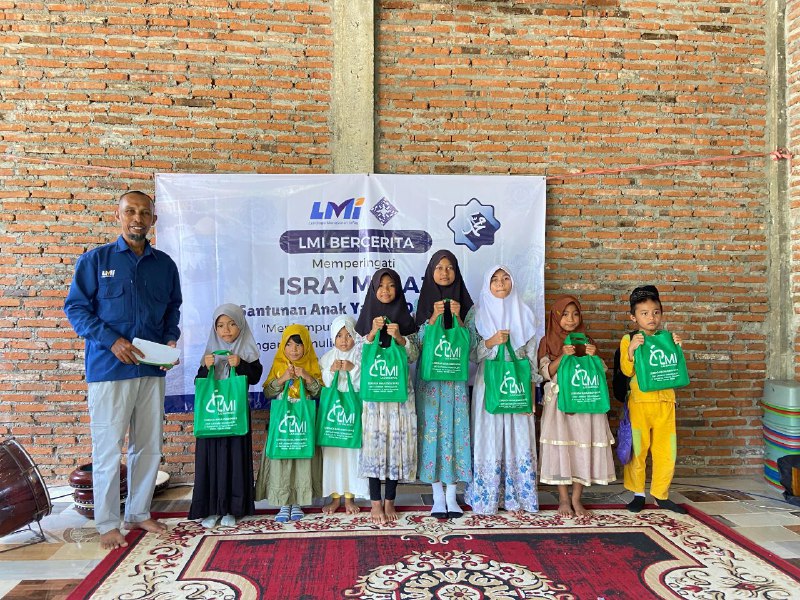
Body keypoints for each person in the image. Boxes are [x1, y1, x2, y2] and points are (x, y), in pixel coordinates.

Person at [63, 191, 182, 550]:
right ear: (118, 215)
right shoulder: (95, 261)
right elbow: (76, 310)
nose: (138, 218)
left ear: (153, 221)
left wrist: (169, 340)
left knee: (147, 446)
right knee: (107, 449)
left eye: (145, 213)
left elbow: (172, 309)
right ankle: (107, 523)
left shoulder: (165, 265)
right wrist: (112, 341)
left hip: (151, 370)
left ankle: (139, 512)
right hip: (109, 369)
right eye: (130, 211)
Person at [465, 265, 541, 515]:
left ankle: (517, 495)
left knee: (518, 435)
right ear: (487, 285)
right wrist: (490, 342)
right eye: (495, 279)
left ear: (512, 283)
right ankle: (489, 496)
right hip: (489, 383)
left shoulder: (525, 313)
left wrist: (531, 396)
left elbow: (531, 358)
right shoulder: (476, 314)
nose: (500, 283)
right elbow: (469, 354)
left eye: (505, 278)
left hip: (518, 385)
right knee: (489, 435)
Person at [537, 295, 616, 518]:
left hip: (585, 400)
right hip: (560, 404)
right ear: (555, 317)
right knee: (562, 447)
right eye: (565, 314)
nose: (570, 319)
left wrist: (594, 356)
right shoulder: (548, 341)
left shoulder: (586, 339)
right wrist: (562, 355)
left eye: (575, 314)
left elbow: (600, 372)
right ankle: (563, 499)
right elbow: (545, 373)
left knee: (583, 444)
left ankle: (576, 498)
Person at [189, 304, 263, 529]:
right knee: (209, 461)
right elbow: (198, 383)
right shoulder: (209, 353)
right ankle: (211, 509)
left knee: (235, 459)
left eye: (232, 324)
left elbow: (255, 378)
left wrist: (240, 365)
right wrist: (205, 367)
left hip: (235, 413)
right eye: (220, 326)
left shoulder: (247, 350)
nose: (226, 330)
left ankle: (232, 509)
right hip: (212, 416)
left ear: (241, 325)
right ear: (214, 329)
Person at [355, 268, 419, 525]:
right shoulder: (365, 320)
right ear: (373, 290)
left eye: (391, 285)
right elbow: (359, 356)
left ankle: (390, 500)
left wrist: (401, 339)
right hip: (374, 397)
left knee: (395, 445)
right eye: (381, 286)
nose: (385, 290)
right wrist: (371, 334)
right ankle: (374, 503)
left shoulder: (405, 319)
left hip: (399, 396)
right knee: (374, 444)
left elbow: (414, 356)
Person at [414, 250, 474, 519]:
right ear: (431, 272)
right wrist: (432, 320)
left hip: (454, 382)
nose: (445, 272)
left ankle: (453, 495)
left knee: (455, 432)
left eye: (450, 268)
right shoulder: (424, 304)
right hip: (430, 383)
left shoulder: (468, 306)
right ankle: (437, 494)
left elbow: (472, 345)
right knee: (432, 432)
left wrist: (459, 318)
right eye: (439, 268)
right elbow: (416, 346)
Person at [620, 285, 687, 514]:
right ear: (634, 316)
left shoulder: (667, 338)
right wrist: (630, 351)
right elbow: (626, 371)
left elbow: (674, 368)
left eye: (656, 312)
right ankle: (638, 493)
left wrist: (677, 348)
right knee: (638, 450)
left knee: (666, 451)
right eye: (645, 313)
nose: (651, 318)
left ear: (662, 313)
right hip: (639, 404)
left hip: (666, 403)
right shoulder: (629, 339)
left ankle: (661, 493)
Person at [255, 324, 322, 522]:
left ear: (307, 347)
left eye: (299, 345)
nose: (294, 350)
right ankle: (284, 503)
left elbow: (320, 393)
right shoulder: (278, 365)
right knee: (281, 459)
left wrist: (306, 376)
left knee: (302, 459)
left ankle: (298, 502)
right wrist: (283, 378)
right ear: (282, 346)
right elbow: (268, 392)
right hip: (283, 423)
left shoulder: (312, 364)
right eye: (289, 344)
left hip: (303, 423)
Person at [319, 316, 368, 514]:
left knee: (351, 453)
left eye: (349, 335)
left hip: (352, 412)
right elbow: (325, 383)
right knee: (333, 456)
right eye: (339, 335)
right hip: (333, 415)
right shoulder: (327, 357)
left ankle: (350, 497)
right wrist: (331, 371)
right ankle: (335, 498)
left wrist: (352, 369)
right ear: (333, 337)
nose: (344, 340)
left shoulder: (360, 356)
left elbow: (364, 382)